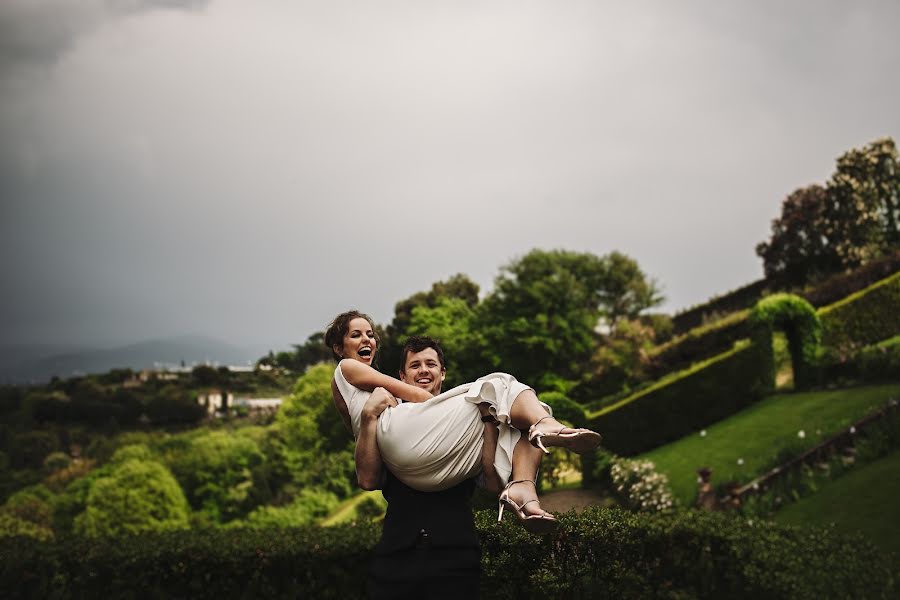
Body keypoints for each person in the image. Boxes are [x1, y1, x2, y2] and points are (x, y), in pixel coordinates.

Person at [326, 311, 601, 531]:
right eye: (356, 335)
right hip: (407, 464)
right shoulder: (348, 368)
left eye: (370, 335)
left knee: (517, 418)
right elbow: (420, 398)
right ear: (339, 348)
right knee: (499, 383)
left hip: (421, 473)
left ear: (443, 372)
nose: (367, 340)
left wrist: (488, 421)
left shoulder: (369, 400)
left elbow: (490, 481)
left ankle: (523, 489)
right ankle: (545, 425)